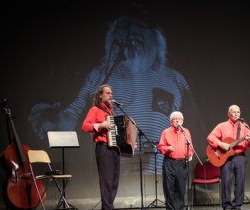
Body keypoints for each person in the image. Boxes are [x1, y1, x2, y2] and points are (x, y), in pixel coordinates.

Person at [28, 16, 196, 174]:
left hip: (159, 166)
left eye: (140, 28)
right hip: (119, 163)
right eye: (125, 28)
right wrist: (53, 119)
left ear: (158, 39)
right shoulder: (99, 75)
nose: (132, 34)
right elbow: (72, 114)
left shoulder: (175, 78)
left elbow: (196, 120)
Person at [207, 105, 250, 210]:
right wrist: (220, 143)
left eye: (238, 112)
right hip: (225, 158)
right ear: (229, 114)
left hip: (239, 156)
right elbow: (210, 137)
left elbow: (248, 145)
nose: (236, 114)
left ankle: (237, 205)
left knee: (240, 181)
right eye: (233, 112)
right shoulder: (222, 126)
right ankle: (227, 206)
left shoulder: (244, 126)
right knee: (226, 181)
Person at [81, 84, 123, 210]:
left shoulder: (111, 112)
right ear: (100, 95)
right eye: (108, 93)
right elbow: (84, 127)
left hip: (114, 149)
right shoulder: (95, 109)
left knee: (114, 182)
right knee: (106, 181)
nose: (111, 95)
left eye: (111, 93)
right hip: (103, 147)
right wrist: (100, 125)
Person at [158, 111, 193, 210]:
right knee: (169, 187)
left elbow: (190, 146)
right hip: (169, 162)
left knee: (181, 186)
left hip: (182, 162)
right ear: (171, 121)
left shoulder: (186, 132)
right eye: (175, 119)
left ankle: (180, 209)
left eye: (180, 119)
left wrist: (190, 154)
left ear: (182, 121)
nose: (177, 120)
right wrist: (167, 148)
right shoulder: (166, 132)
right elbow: (160, 147)